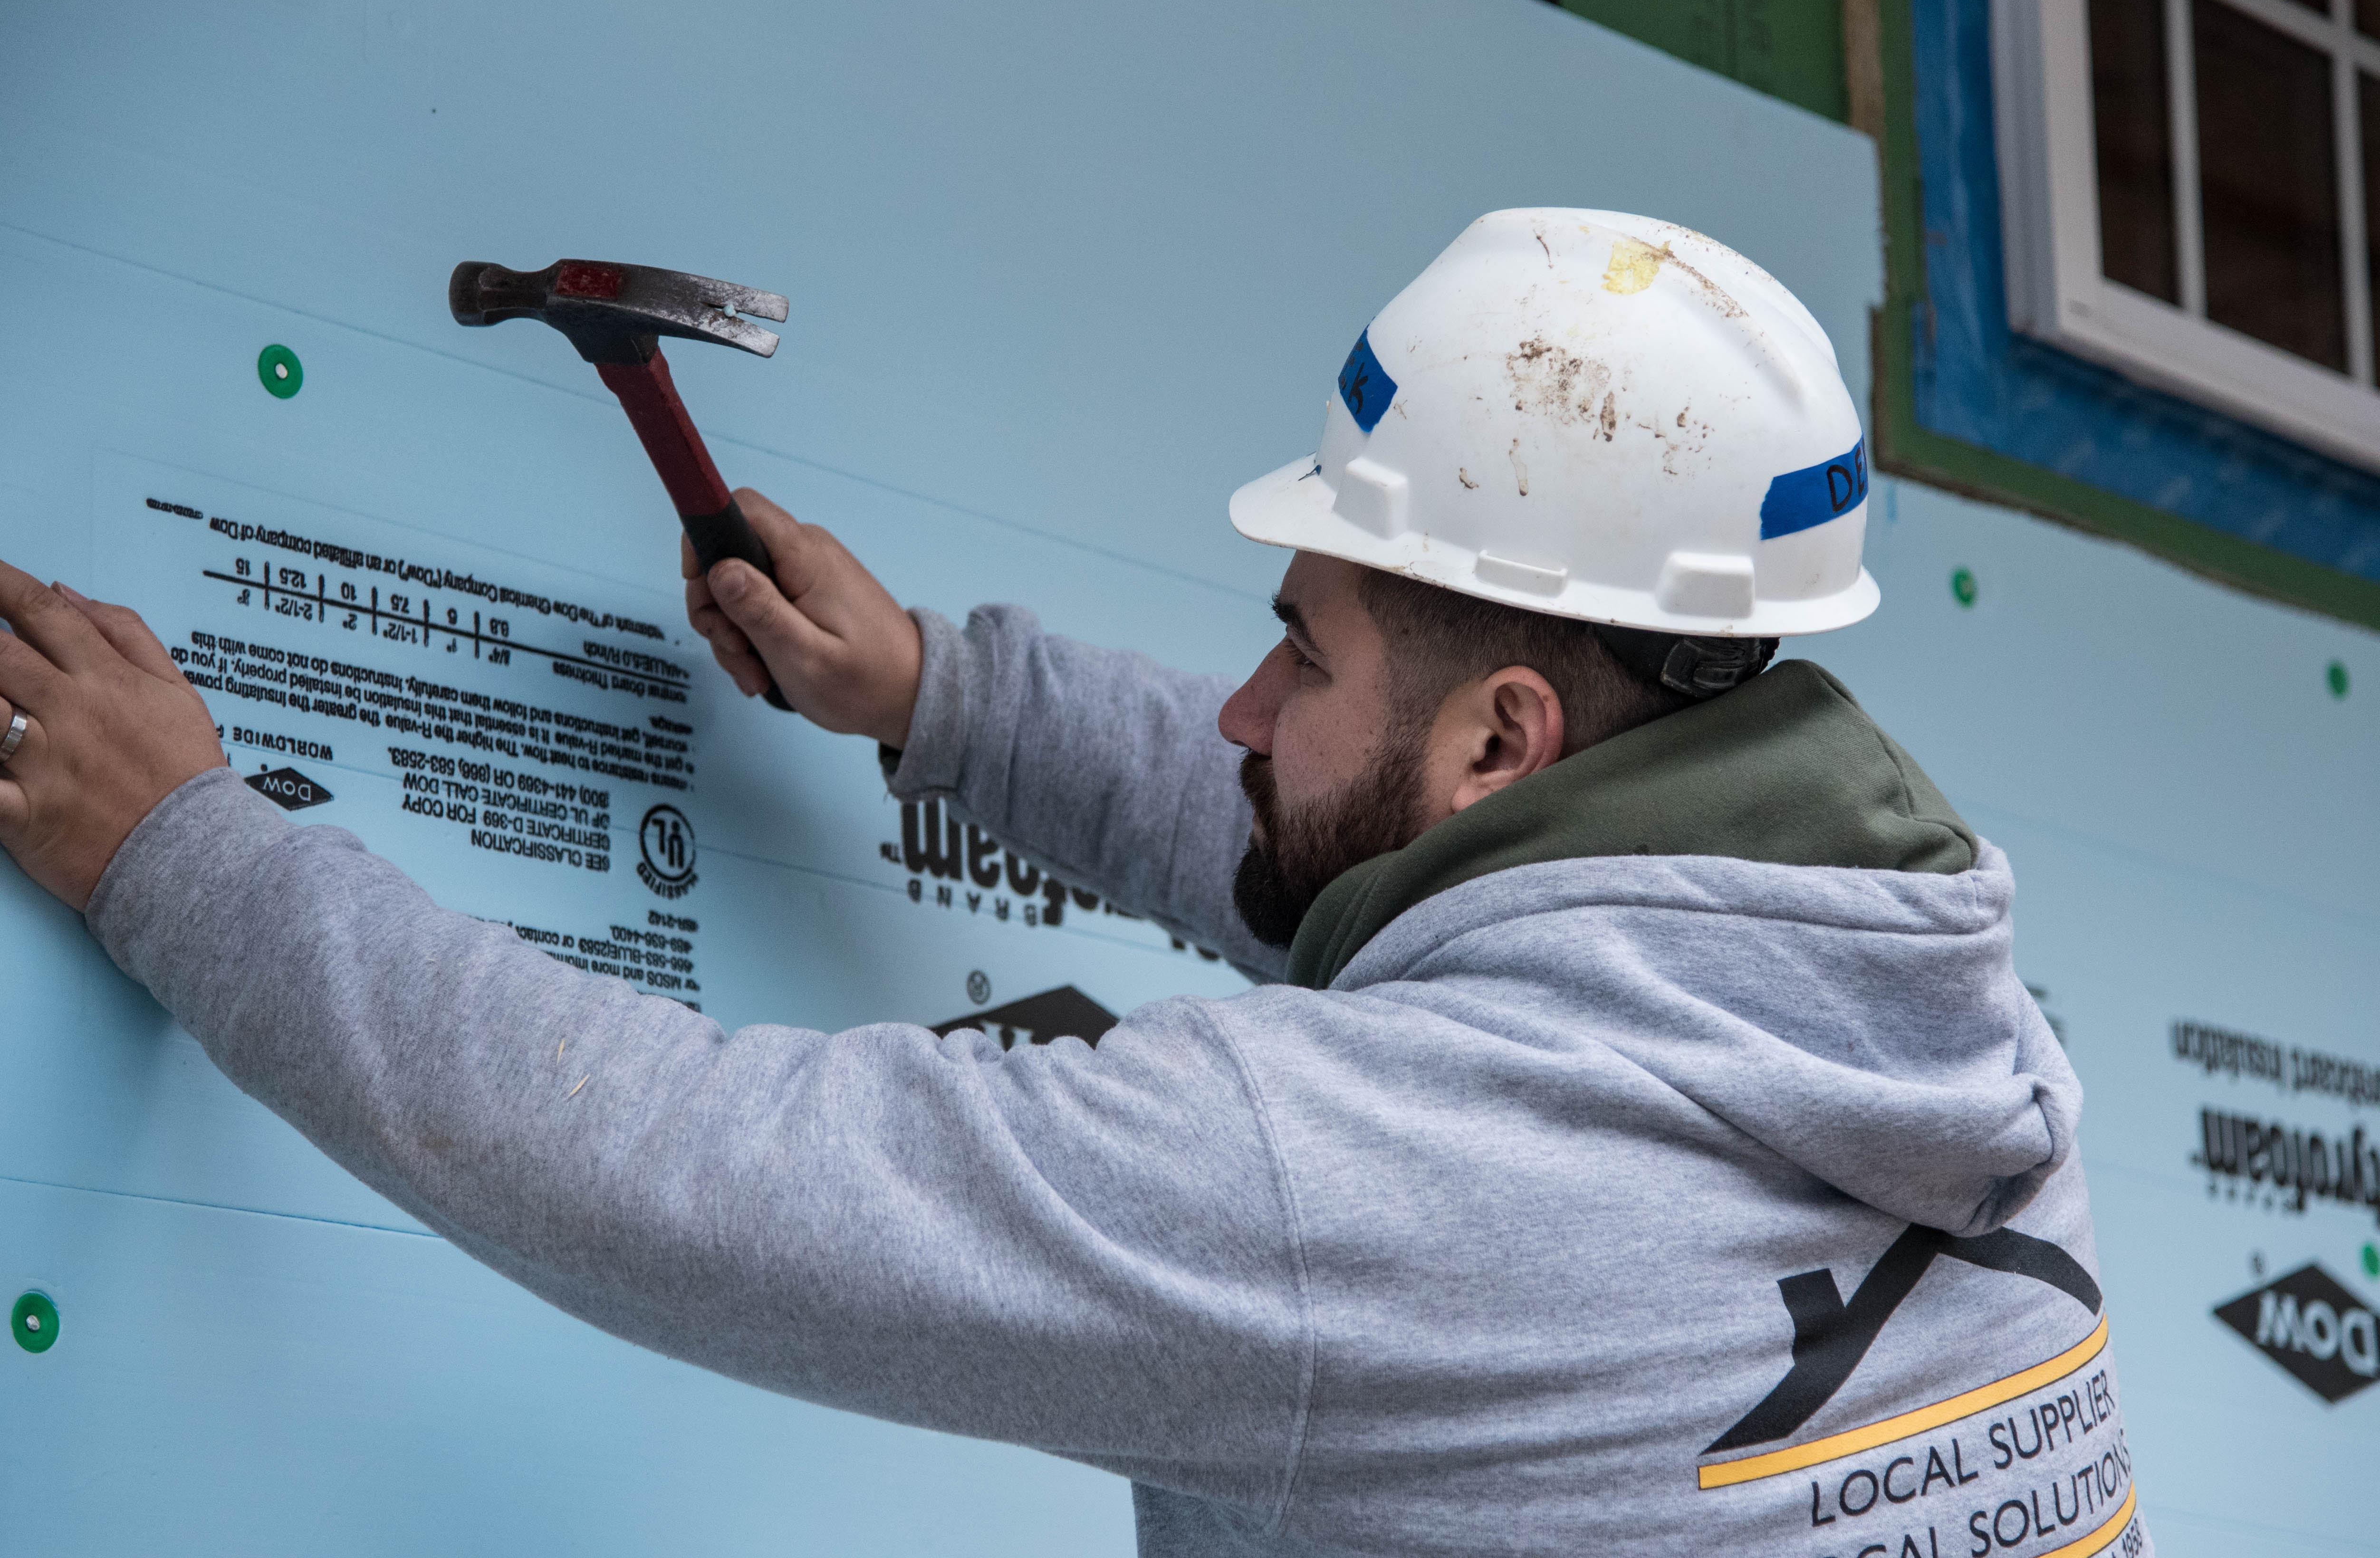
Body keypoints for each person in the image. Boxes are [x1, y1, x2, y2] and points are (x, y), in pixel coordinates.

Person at [0, 211, 2146, 1556]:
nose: (1233, 712)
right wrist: (944, 695)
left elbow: (681, 1178)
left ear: (1504, 737)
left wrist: (183, 852)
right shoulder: (1930, 995)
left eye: (1297, 651)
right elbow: (1415, 903)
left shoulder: (1347, 1197)